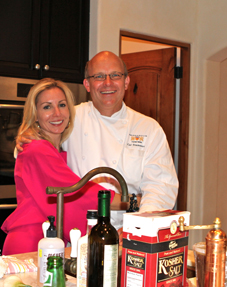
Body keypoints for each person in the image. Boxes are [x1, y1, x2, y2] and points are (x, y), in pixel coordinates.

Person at [17, 51, 178, 215]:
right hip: (78, 231)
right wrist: (27, 137)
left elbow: (161, 188)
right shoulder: (68, 118)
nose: (108, 83)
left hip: (128, 229)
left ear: (126, 82)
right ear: (87, 84)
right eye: (99, 77)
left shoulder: (148, 128)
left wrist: (138, 227)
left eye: (115, 75)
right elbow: (37, 151)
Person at [1, 78, 121, 255]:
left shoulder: (55, 150)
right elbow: (77, 192)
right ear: (35, 114)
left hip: (49, 243)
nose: (57, 113)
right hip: (30, 244)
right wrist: (130, 201)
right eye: (47, 107)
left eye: (62, 105)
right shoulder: (37, 149)